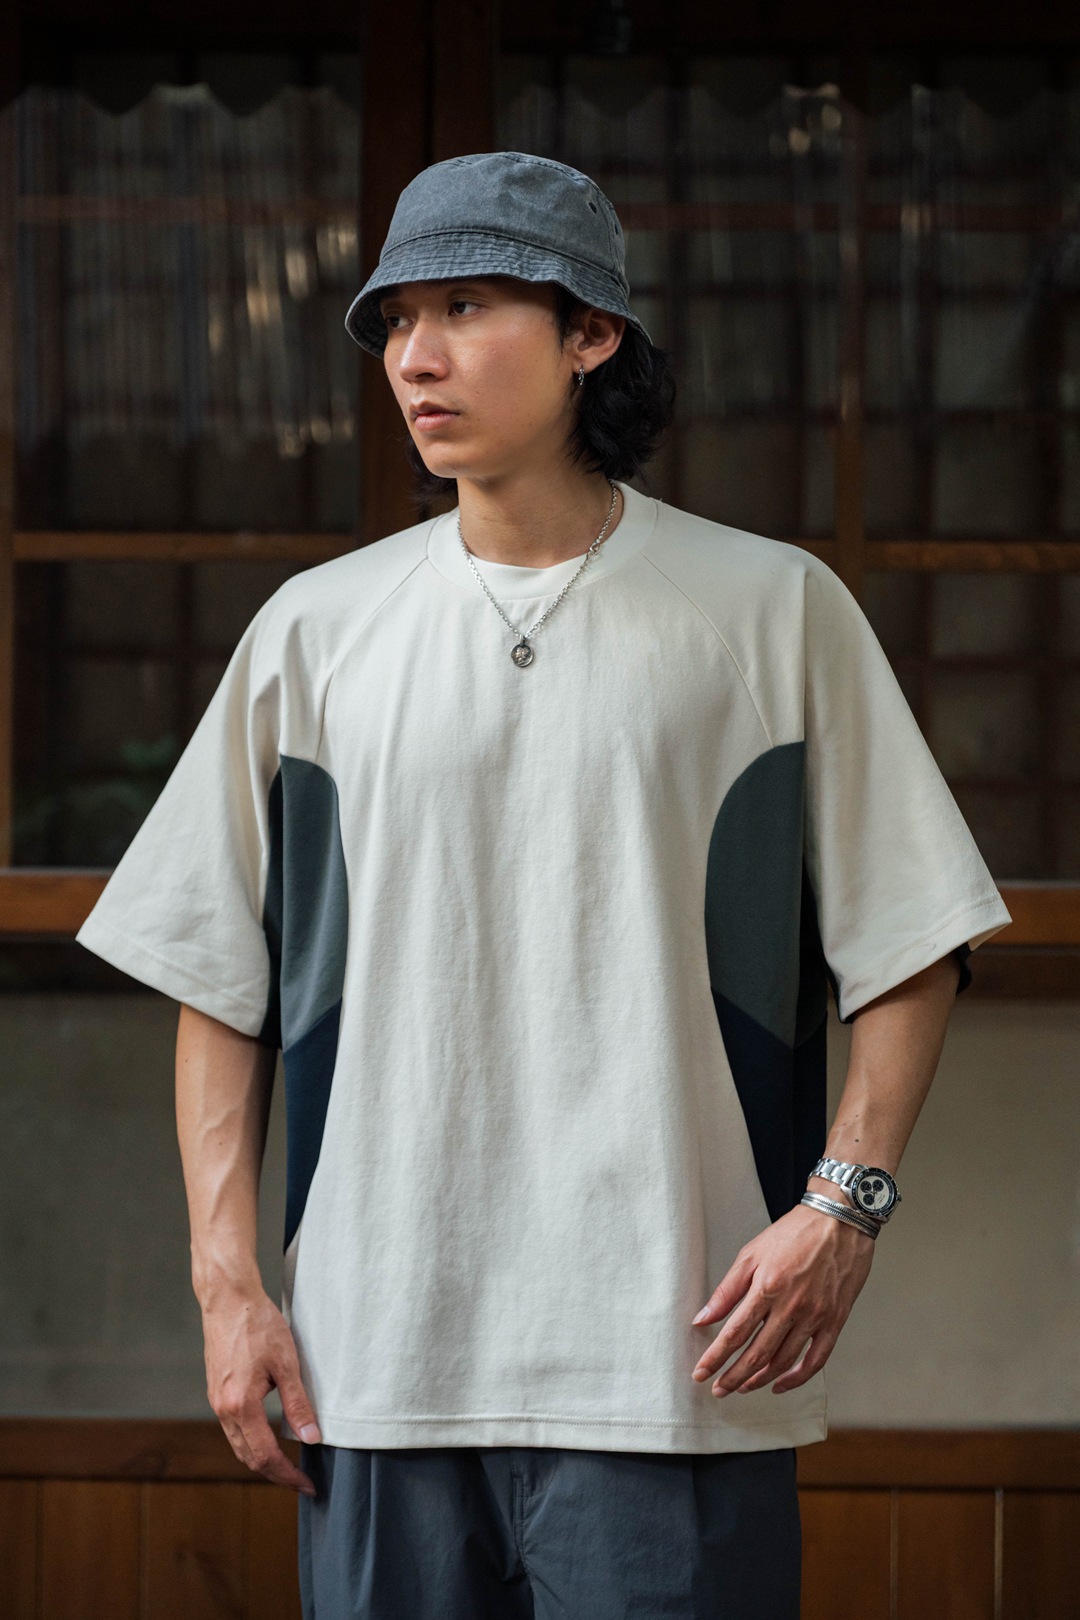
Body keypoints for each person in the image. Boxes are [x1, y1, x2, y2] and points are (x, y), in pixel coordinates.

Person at [75, 151, 1012, 1618]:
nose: (415, 356)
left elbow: (913, 934)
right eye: (396, 321)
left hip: (679, 1361)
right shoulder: (314, 633)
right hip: (373, 1362)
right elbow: (217, 972)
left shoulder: (772, 609)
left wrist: (845, 1207)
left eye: (464, 307)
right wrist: (226, 1282)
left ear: (591, 334)